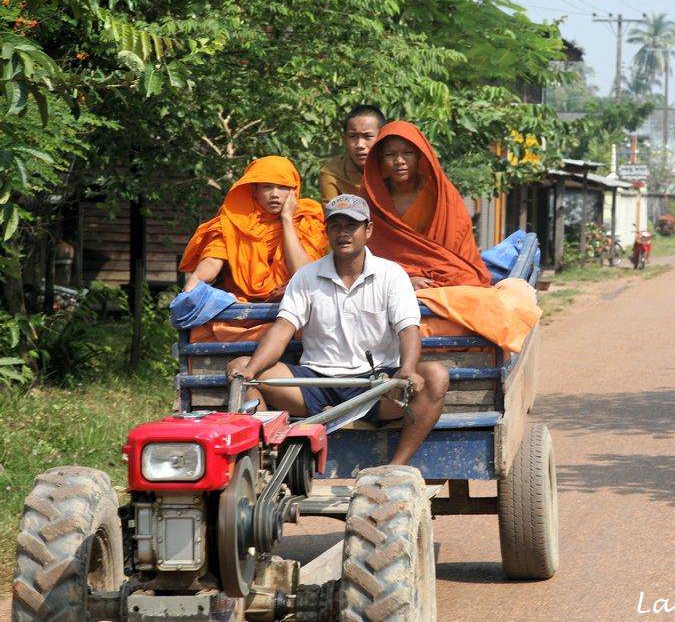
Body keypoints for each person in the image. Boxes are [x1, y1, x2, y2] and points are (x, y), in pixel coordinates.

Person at [225, 194, 449, 466]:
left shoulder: (392, 274)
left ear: (368, 230)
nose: (343, 233)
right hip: (315, 384)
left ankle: (395, 467)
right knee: (240, 367)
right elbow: (283, 329)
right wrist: (251, 370)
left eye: (351, 226)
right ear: (327, 232)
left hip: (376, 386)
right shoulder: (307, 276)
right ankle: (264, 464)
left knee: (436, 375)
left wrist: (408, 368)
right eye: (336, 226)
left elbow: (408, 329)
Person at [362, 120, 491, 289]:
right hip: (390, 279)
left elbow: (458, 246)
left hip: (444, 274)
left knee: (468, 281)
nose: (399, 160)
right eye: (390, 154)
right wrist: (404, 279)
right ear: (380, 159)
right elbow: (369, 252)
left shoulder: (440, 194)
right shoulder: (372, 198)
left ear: (419, 155)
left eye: (407, 153)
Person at [180, 156, 327, 302]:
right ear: (255, 190)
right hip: (238, 304)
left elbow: (303, 274)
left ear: (294, 191)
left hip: (291, 304)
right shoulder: (236, 220)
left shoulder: (307, 217)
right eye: (267, 187)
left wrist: (287, 219)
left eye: (282, 187)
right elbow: (213, 260)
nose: (274, 194)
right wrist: (196, 279)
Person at [319, 105, 387, 201]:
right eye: (353, 136)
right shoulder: (332, 172)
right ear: (344, 140)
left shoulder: (394, 168)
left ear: (382, 138)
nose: (360, 145)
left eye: (367, 136)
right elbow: (330, 209)